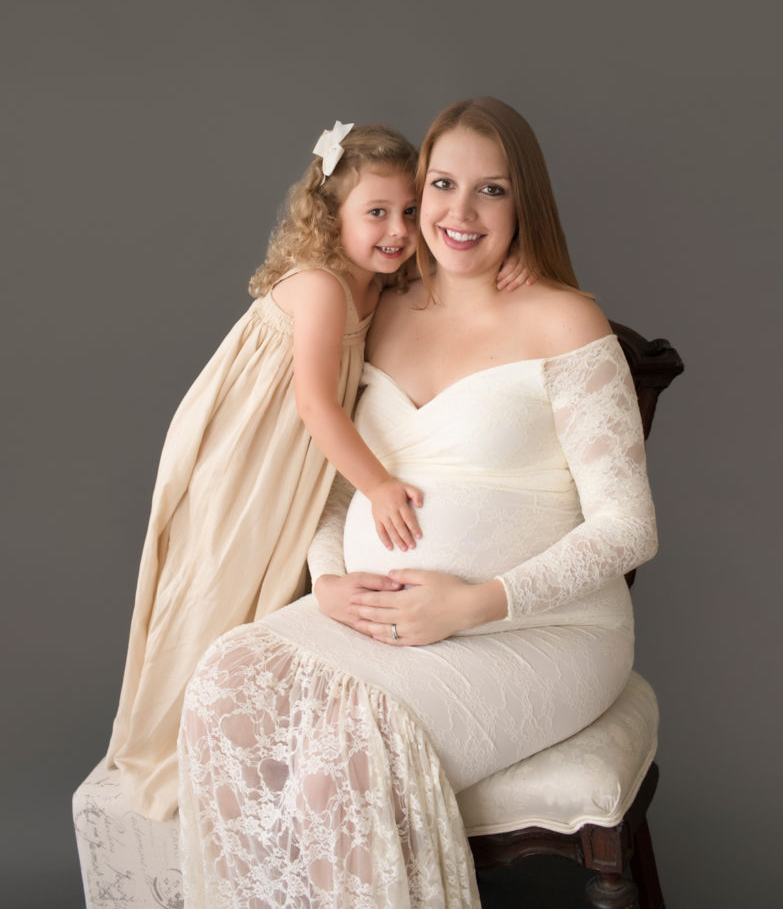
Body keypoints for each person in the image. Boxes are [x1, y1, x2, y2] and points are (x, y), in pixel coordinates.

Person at [177, 97, 659, 908]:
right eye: (442, 184)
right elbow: (333, 482)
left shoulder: (564, 322)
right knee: (223, 684)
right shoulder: (381, 307)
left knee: (340, 753)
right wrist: (326, 581)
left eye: (491, 191)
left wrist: (475, 604)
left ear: (523, 204)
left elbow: (627, 526)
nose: (459, 212)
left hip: (540, 632)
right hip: (372, 616)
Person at [106, 122, 424, 821]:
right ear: (330, 212)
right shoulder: (319, 285)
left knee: (269, 589)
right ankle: (176, 736)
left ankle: (240, 734)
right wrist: (375, 485)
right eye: (375, 212)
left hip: (294, 460)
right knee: (219, 581)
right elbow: (312, 400)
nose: (396, 229)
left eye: (407, 211)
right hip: (245, 452)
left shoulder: (387, 284)